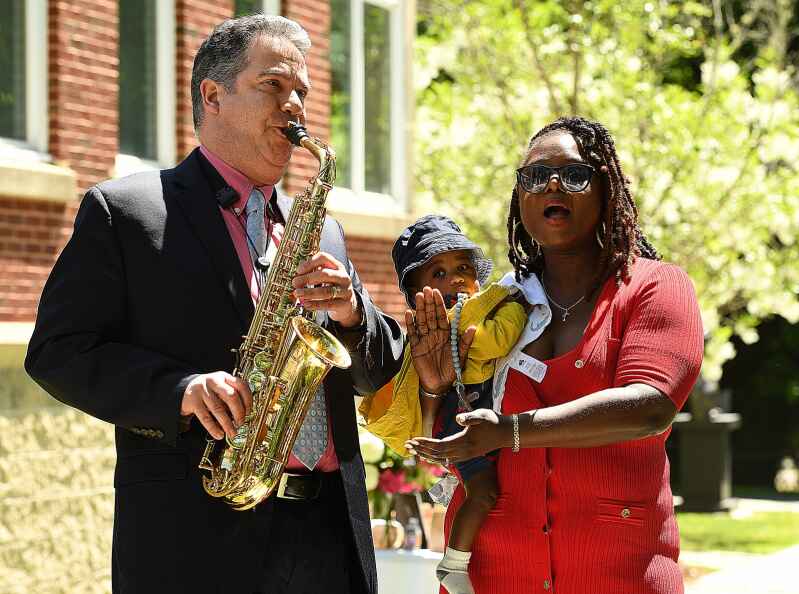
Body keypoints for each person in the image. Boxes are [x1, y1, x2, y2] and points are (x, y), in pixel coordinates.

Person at [24, 15, 404, 594]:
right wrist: (180, 392)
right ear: (213, 95)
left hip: (328, 538)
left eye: (300, 91)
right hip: (196, 541)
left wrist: (354, 315)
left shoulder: (322, 230)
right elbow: (58, 353)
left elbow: (378, 370)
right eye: (273, 86)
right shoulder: (127, 212)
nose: (294, 105)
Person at [404, 116, 704, 594]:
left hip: (617, 577)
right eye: (535, 176)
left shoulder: (655, 287)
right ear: (520, 196)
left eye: (575, 174)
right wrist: (435, 387)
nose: (553, 185)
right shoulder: (495, 305)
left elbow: (650, 405)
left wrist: (513, 431)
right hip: (494, 575)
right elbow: (440, 449)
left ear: (606, 190)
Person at [362, 215, 550, 594]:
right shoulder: (433, 334)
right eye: (438, 274)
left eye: (463, 267)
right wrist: (508, 310)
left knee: (487, 490)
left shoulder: (485, 310)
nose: (455, 279)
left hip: (482, 419)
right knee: (482, 491)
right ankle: (455, 563)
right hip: (459, 420)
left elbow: (492, 344)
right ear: (416, 293)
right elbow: (492, 343)